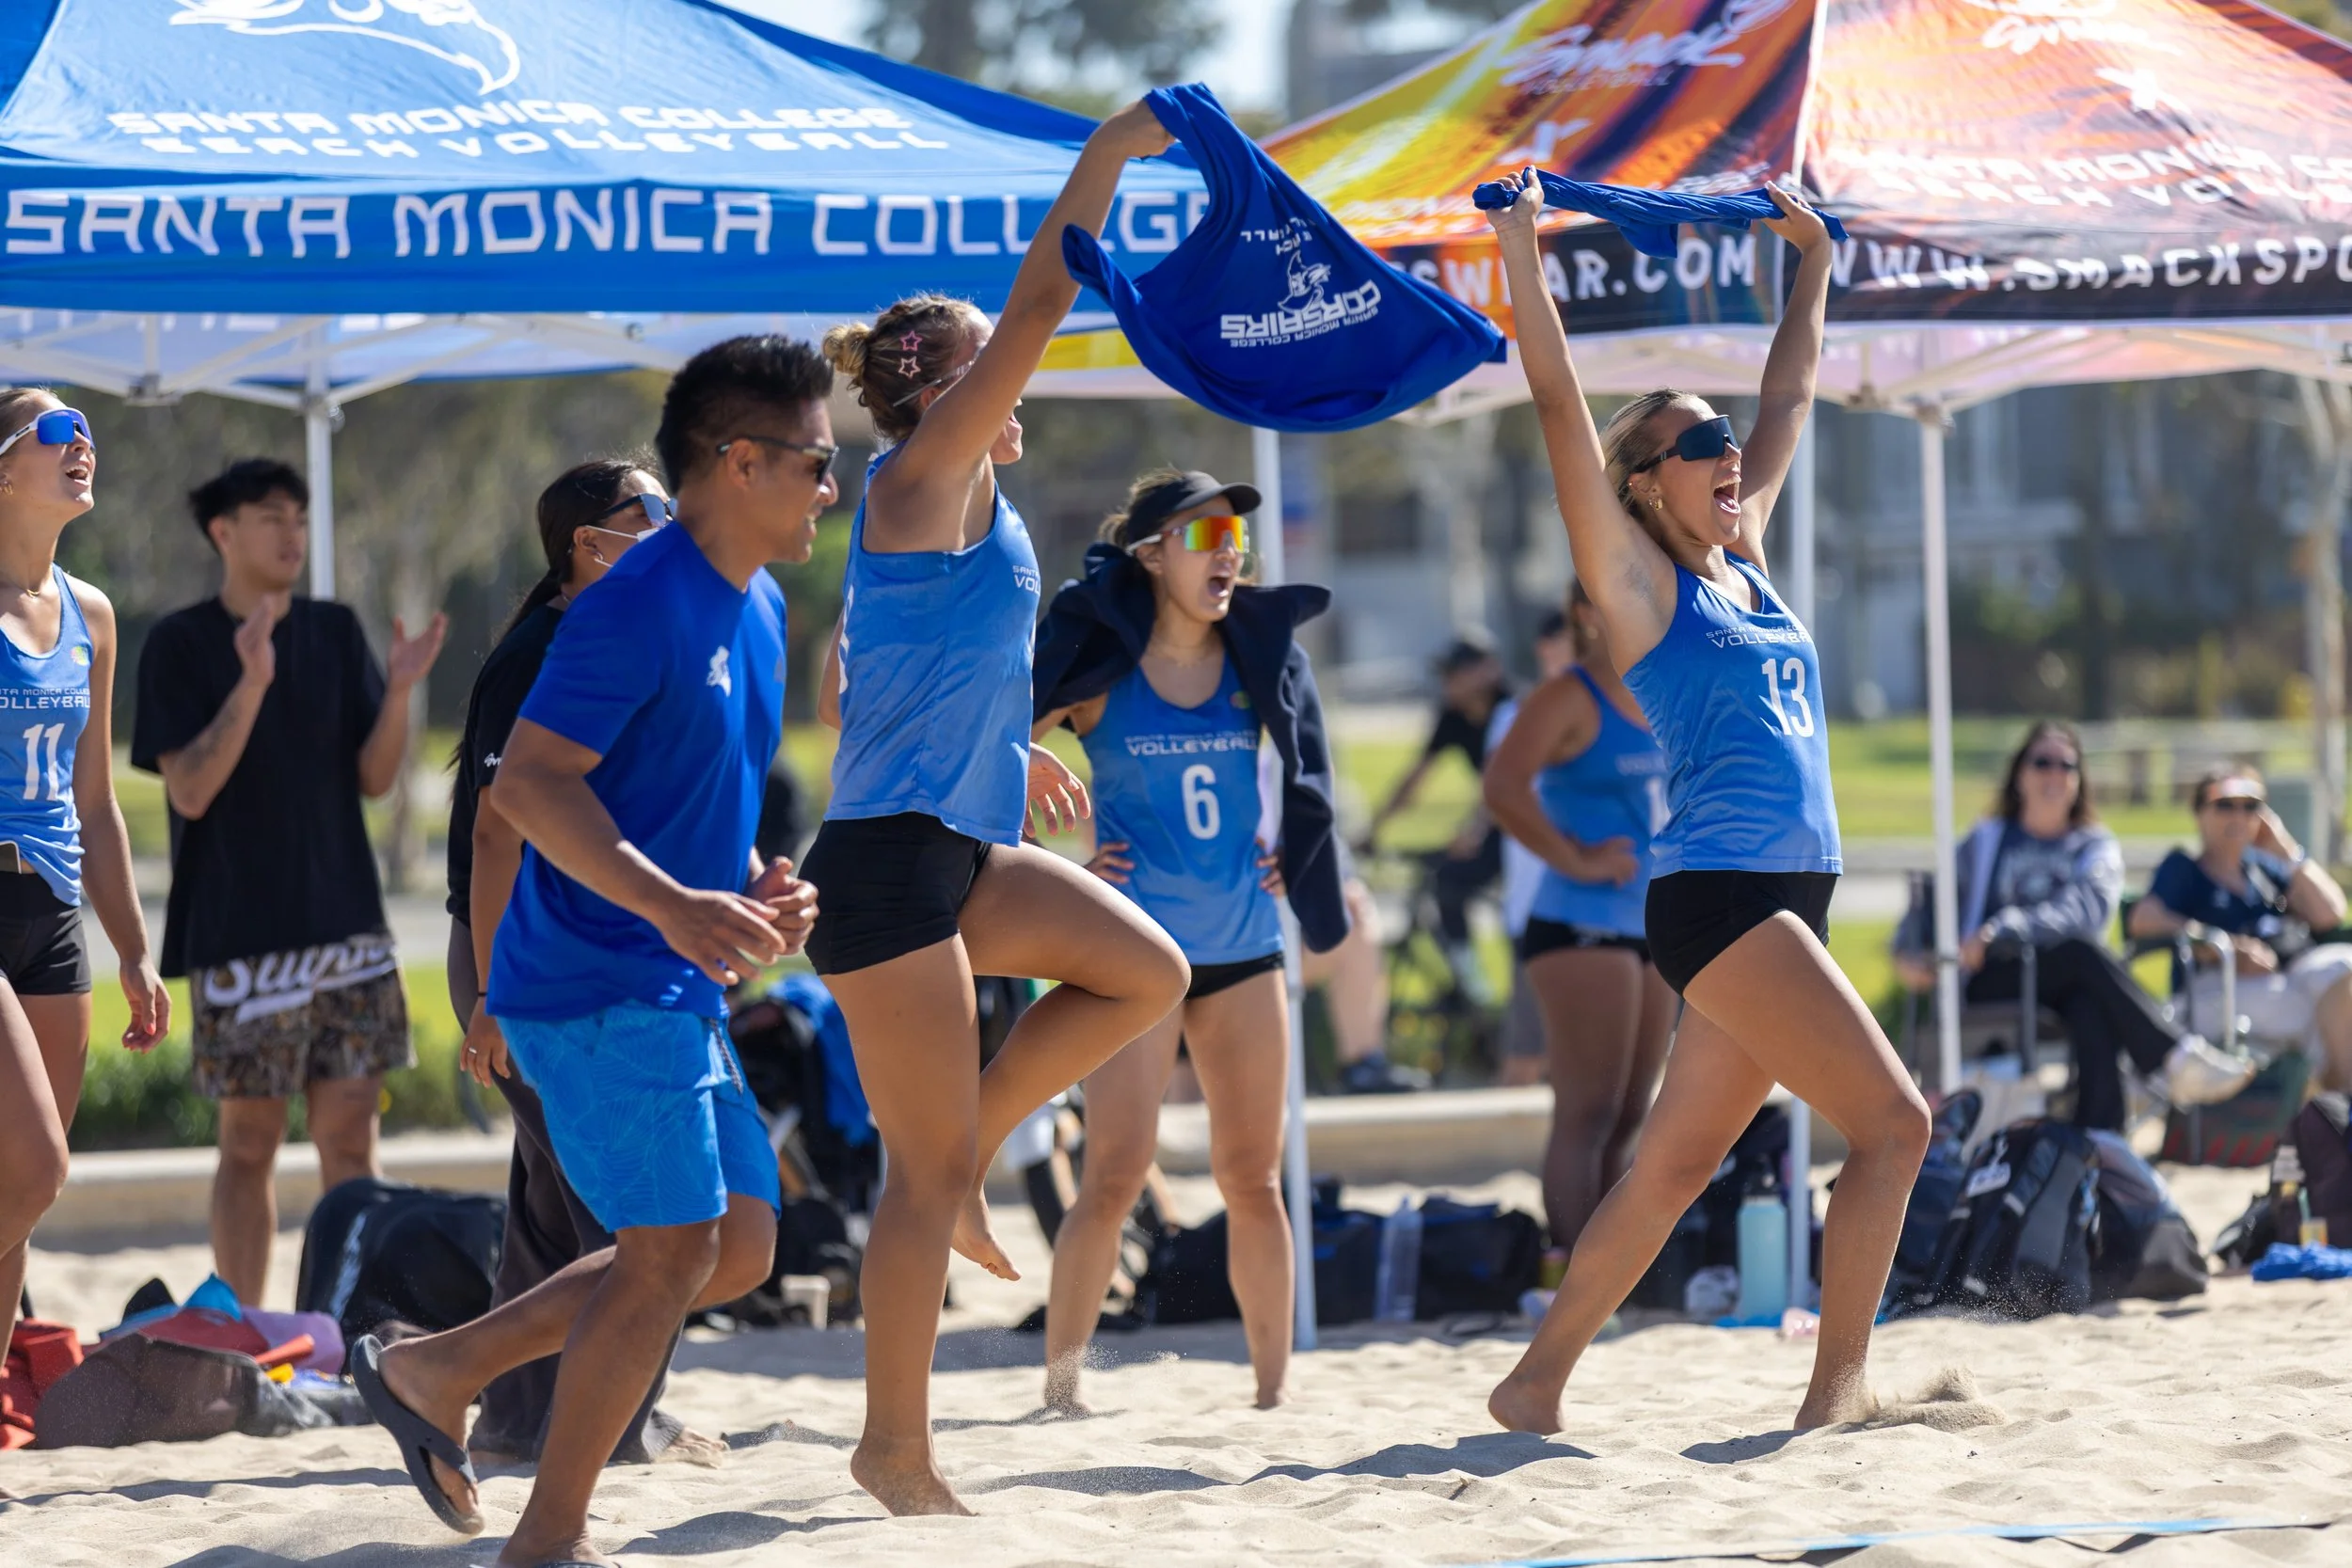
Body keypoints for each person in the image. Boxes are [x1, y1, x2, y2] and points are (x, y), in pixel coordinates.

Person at [355, 335, 830, 1568]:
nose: (834, 486)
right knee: (671, 1251)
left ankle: (436, 1361)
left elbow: (696, 796)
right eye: (817, 461)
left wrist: (753, 901)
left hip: (676, 978)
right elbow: (524, 792)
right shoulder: (634, 601)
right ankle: (549, 1532)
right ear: (737, 461)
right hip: (594, 980)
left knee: (736, 1245)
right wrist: (659, 909)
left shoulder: (763, 603)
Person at [1479, 167, 1931, 1436]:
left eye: (1725, 443)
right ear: (1643, 484)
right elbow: (1561, 402)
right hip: (1720, 898)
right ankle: (1836, 1386)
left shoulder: (1748, 562)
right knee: (1896, 1119)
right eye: (1698, 447)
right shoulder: (1637, 587)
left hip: (1787, 890)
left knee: (1674, 1164)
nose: (1730, 455)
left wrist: (1816, 259)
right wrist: (1524, 244)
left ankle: (1535, 1378)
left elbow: (1790, 393)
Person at [802, 101, 1191, 1517]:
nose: (1019, 377)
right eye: (990, 365)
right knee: (917, 1178)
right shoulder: (922, 473)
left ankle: (973, 1151)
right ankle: (892, 1444)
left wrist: (1002, 742)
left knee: (1149, 969)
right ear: (945, 388)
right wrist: (1108, 155)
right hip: (896, 870)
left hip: (959, 837)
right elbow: (1041, 293)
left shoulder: (963, 504)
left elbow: (880, 686)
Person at [1030, 467, 1348, 1414]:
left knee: (1251, 1178)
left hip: (1245, 946)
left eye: (1234, 541)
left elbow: (1309, 777)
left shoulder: (1258, 660)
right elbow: (991, 763)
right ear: (1150, 553)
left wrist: (1299, 854)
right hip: (1129, 959)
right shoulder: (1096, 671)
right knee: (1114, 1175)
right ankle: (1059, 1389)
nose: (1230, 556)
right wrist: (1059, 877)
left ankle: (1271, 1389)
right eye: (1204, 538)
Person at [444, 458, 712, 1468]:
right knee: (625, 1204)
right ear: (584, 545)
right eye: (647, 512)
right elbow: (494, 838)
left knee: (559, 1203)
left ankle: (530, 1416)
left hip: (574, 959)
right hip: (522, 956)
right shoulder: (539, 653)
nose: (668, 525)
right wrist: (494, 994)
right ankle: (574, 1415)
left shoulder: (611, 635)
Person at [132, 458, 445, 1307]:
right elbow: (190, 789)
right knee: (249, 1141)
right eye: (271, 517)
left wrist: (404, 690)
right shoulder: (180, 642)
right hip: (242, 933)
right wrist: (253, 681)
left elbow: (376, 780)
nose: (291, 534)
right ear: (222, 531)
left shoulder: (336, 629)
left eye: (300, 519)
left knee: (351, 1136)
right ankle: (243, 1326)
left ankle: (360, 1317)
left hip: (347, 926)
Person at [0, 388, 168, 1370]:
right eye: (59, 432)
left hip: (55, 908)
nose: (84, 446)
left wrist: (136, 951)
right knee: (38, 1163)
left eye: (89, 432)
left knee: (20, 1196)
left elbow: (97, 800)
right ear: (6, 466)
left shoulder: (92, 614)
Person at [1893, 722, 2252, 1131]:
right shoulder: (1988, 839)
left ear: (2079, 781)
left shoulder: (2093, 846)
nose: (2054, 774)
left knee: (2088, 1003)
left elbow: (2086, 910)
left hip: (2064, 980)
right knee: (2082, 958)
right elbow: (1928, 900)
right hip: (1994, 977)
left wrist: (2006, 926)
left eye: (2067, 765)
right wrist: (1906, 952)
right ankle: (2173, 1057)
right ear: (2019, 776)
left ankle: (2099, 1139)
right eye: (2042, 762)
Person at [1482, 581, 1675, 1255]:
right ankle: (1572, 1270)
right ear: (1585, 614)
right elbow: (1502, 788)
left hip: (1653, 922)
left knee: (1629, 1116)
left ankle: (1611, 1271)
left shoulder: (1666, 687)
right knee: (1587, 1114)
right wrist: (1576, 858)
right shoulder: (1570, 694)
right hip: (1579, 922)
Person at [2129, 765, 2352, 1093]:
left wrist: (2287, 850)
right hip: (2214, 991)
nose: (2239, 815)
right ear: (2199, 813)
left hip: (2282, 986)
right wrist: (2223, 946)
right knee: (2332, 1017)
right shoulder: (2185, 869)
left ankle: (2336, 1104)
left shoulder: (2265, 871)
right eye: (2225, 804)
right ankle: (2340, 1106)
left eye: (2251, 806)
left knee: (2344, 964)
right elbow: (2143, 919)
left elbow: (2332, 912)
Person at [1365, 634, 1511, 998]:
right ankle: (1473, 985)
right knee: (1447, 885)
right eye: (1446, 675)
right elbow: (1415, 779)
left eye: (1456, 673)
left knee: (1513, 912)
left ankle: (1502, 996)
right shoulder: (1453, 715)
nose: (1449, 683)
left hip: (1532, 822)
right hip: (1499, 819)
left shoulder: (1513, 709)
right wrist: (1374, 829)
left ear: (1487, 671)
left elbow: (1505, 778)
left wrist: (1474, 831)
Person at [1493, 605, 1580, 1088]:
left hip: (1606, 904)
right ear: (1547, 649)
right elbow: (1503, 794)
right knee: (1527, 1052)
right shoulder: (1515, 715)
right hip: (1537, 905)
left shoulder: (1617, 705)